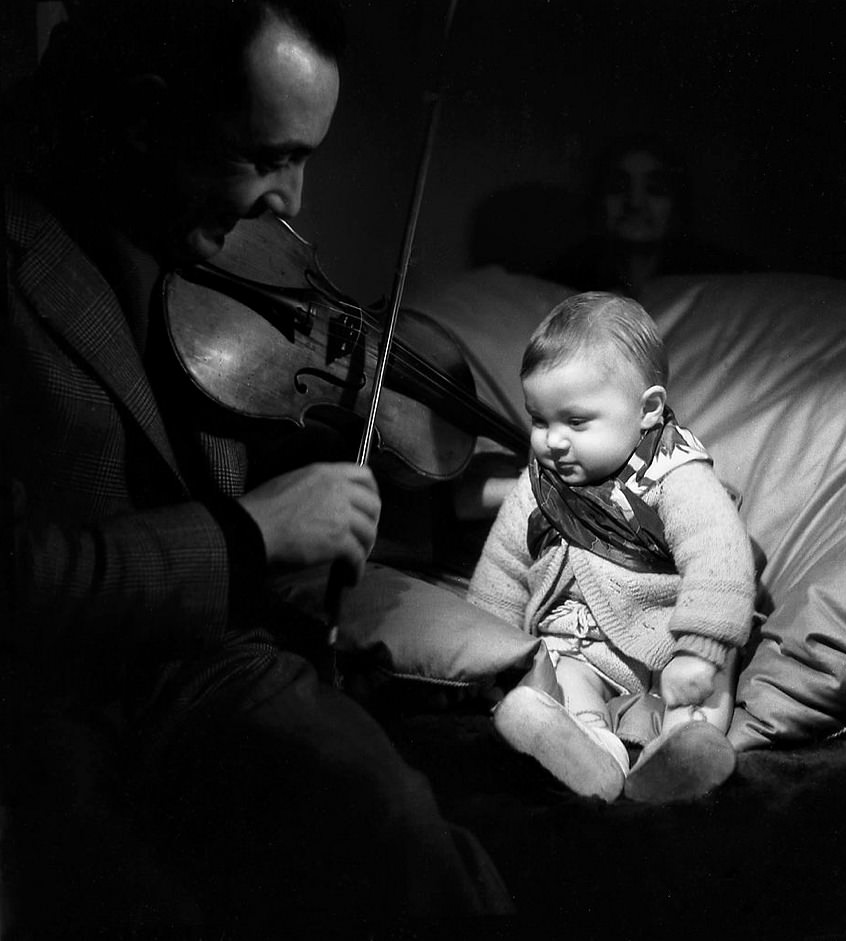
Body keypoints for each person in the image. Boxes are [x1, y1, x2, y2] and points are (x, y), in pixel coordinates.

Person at [0, 0, 512, 933]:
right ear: (150, 115)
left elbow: (224, 413)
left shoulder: (182, 220)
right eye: (271, 157)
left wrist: (364, 444)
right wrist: (251, 534)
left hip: (216, 663)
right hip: (57, 705)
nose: (294, 204)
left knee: (421, 854)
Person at [467, 292, 755, 803]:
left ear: (648, 410)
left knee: (699, 696)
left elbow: (719, 558)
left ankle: (678, 755)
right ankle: (594, 754)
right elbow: (503, 568)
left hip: (670, 644)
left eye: (576, 422)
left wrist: (699, 651)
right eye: (539, 420)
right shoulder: (538, 486)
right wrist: (484, 652)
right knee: (565, 683)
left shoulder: (674, 476)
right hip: (578, 646)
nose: (552, 441)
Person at [545, 134, 757, 298]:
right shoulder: (562, 279)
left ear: (677, 202)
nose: (635, 202)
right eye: (618, 187)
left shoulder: (718, 275)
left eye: (655, 189)